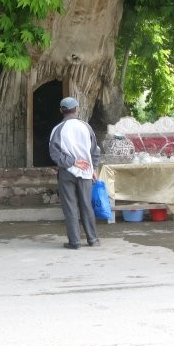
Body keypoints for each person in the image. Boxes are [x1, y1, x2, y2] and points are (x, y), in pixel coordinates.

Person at [49, 97, 100, 249]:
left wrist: (72, 162)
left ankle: (75, 242)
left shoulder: (57, 129)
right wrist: (94, 168)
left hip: (66, 173)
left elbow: (54, 153)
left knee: (70, 207)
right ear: (77, 109)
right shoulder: (86, 127)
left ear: (61, 111)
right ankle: (93, 240)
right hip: (85, 172)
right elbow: (95, 150)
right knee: (86, 205)